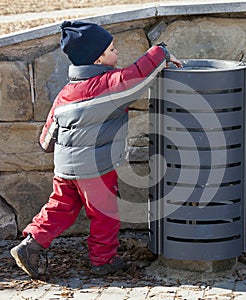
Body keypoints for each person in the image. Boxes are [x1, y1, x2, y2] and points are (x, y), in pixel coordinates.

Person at [10, 20, 182, 279]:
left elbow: (48, 134)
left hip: (65, 168)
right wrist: (162, 52)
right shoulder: (109, 85)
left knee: (60, 207)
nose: (117, 53)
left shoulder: (66, 93)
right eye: (112, 49)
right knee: (105, 213)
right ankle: (103, 260)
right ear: (98, 58)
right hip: (95, 168)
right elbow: (137, 74)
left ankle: (31, 244)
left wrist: (47, 144)